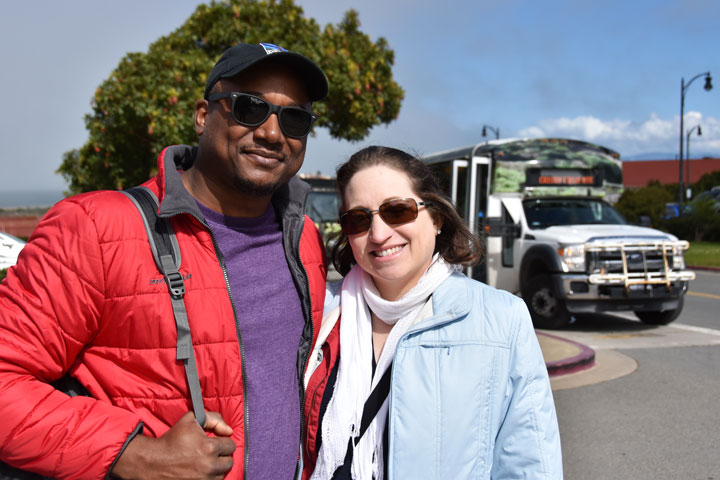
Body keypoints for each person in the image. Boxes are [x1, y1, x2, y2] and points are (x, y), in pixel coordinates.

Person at [0, 42, 329, 479]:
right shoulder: (98, 228)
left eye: (294, 119)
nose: (271, 133)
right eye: (249, 108)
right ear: (202, 115)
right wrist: (133, 454)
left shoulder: (304, 239)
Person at [301, 146, 563, 479]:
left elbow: (529, 463)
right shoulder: (320, 313)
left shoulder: (502, 319)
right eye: (359, 219)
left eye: (397, 211)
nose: (379, 235)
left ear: (436, 217)